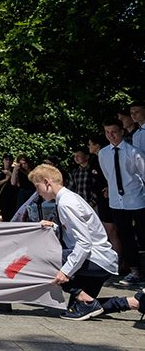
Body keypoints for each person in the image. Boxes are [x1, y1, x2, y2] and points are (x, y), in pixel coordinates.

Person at [28, 164, 144, 321]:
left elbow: (84, 243)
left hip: (96, 259)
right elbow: (80, 230)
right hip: (101, 261)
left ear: (47, 182)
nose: (38, 193)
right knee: (80, 308)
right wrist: (54, 226)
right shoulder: (68, 198)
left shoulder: (66, 203)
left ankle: (80, 294)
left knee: (41, 258)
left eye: (37, 187)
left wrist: (65, 272)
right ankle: (133, 302)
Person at [97, 119, 145, 285]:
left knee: (143, 234)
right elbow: (108, 175)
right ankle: (134, 270)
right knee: (125, 236)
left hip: (137, 199)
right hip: (117, 202)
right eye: (107, 132)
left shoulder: (133, 151)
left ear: (122, 132)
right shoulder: (103, 153)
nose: (111, 136)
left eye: (114, 132)